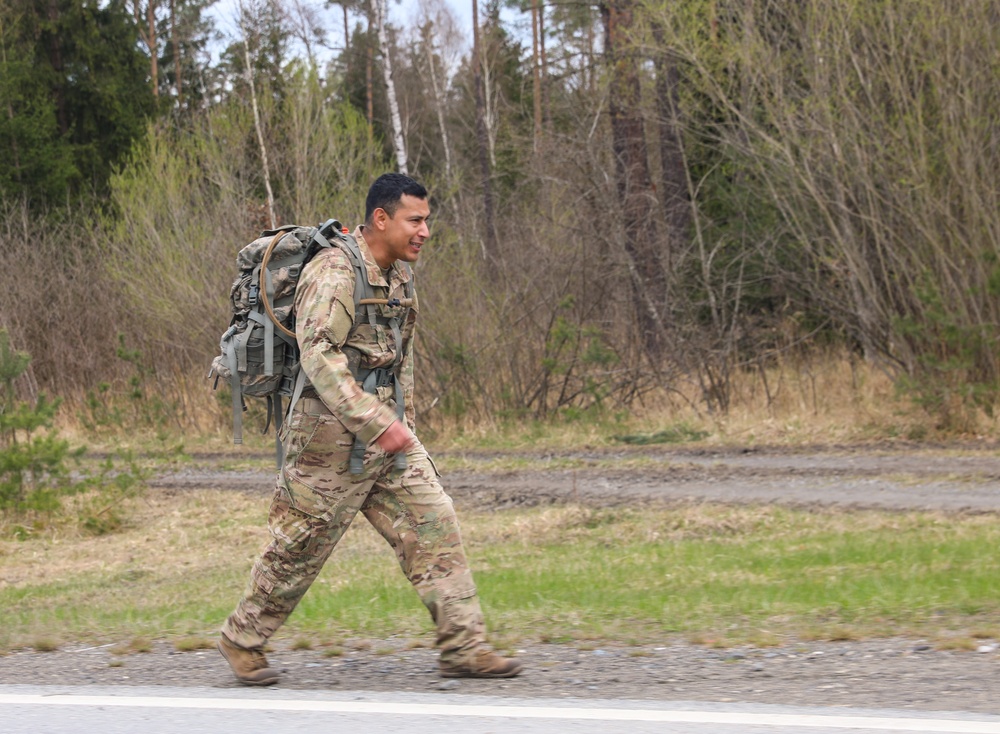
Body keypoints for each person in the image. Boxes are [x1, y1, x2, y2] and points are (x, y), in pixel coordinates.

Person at [218, 173, 523, 685]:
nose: (426, 231)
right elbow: (319, 355)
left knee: (434, 523)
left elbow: (399, 352)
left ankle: (464, 648)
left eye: (427, 220)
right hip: (326, 440)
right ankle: (241, 639)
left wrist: (399, 420)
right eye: (416, 220)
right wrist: (374, 421)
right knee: (299, 547)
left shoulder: (400, 273)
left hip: (389, 434)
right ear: (381, 219)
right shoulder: (335, 272)